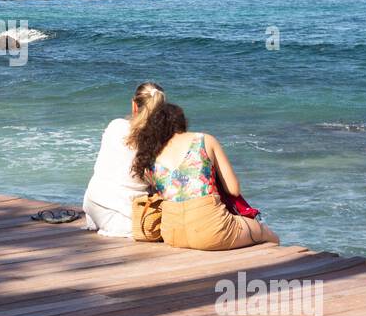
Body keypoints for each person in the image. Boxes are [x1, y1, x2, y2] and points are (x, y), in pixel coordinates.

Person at [130, 101, 281, 249]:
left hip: (173, 234)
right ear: (182, 122)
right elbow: (233, 189)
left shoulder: (150, 155)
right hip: (213, 230)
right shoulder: (203, 140)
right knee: (266, 233)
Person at [83, 82, 166, 236]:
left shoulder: (115, 125)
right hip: (124, 214)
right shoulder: (160, 140)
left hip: (93, 203)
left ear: (134, 105)